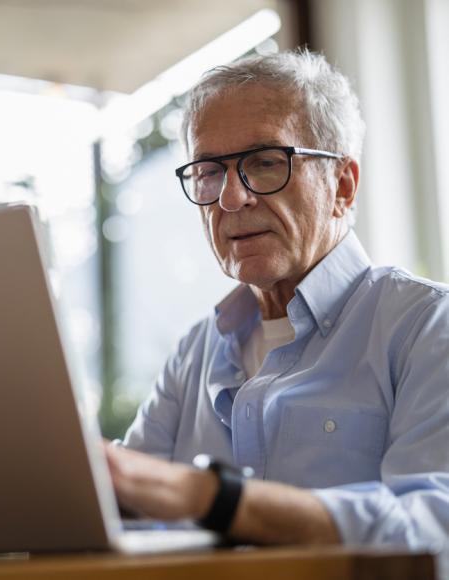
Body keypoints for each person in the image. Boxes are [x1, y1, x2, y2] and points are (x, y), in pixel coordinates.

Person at [105, 49, 449, 561]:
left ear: (343, 186)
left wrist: (212, 498)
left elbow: (432, 532)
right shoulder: (193, 353)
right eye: (209, 172)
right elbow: (116, 510)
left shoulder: (426, 326)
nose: (230, 199)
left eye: (265, 163)